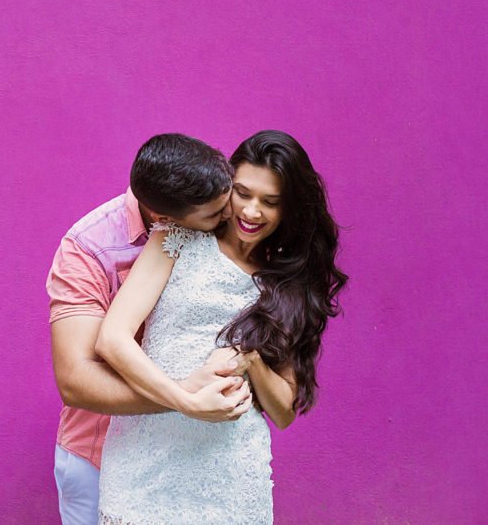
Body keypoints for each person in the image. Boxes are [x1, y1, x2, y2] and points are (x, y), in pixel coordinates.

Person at [95, 130, 348, 524]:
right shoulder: (176, 239)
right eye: (243, 193)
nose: (251, 212)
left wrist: (250, 358)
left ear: (289, 209)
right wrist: (185, 401)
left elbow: (282, 413)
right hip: (146, 465)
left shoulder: (289, 285)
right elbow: (112, 340)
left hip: (230, 476)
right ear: (226, 184)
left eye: (270, 202)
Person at [48, 134, 255, 525]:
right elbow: (75, 380)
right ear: (167, 220)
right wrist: (184, 397)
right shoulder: (88, 249)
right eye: (215, 215)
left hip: (190, 455)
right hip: (99, 453)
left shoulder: (213, 212)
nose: (230, 217)